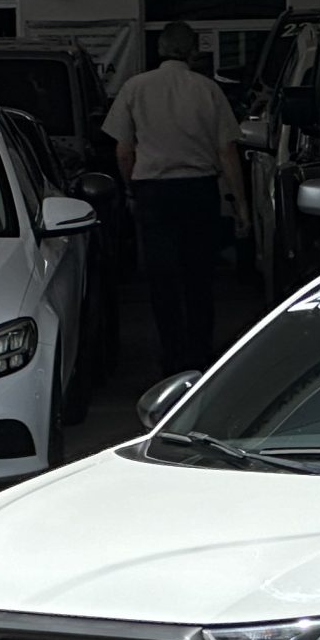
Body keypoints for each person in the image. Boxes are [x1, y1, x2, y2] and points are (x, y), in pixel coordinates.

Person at [105, 20, 248, 376]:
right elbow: (228, 150)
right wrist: (240, 202)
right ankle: (200, 354)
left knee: (161, 278)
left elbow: (123, 151)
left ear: (159, 50)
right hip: (198, 190)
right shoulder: (207, 89)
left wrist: (130, 189)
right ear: (194, 51)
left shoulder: (134, 88)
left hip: (153, 192)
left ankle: (171, 356)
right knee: (198, 275)